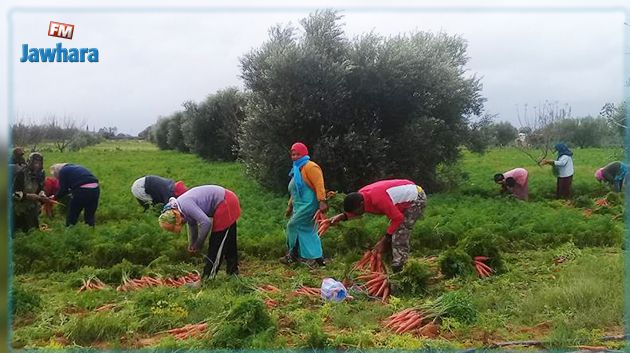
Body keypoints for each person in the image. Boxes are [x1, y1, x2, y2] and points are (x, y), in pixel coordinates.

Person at [328, 179, 427, 273]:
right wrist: (343, 216)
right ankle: (389, 261)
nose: (355, 214)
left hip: (416, 197)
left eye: (355, 212)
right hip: (403, 198)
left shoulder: (378, 199)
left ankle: (400, 267)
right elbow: (357, 212)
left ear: (361, 204)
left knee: (400, 230)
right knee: (392, 230)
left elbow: (398, 218)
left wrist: (384, 240)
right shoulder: (361, 196)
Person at [158, 185, 241, 281]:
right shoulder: (179, 207)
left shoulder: (185, 205)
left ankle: (208, 278)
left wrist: (198, 244)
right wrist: (192, 244)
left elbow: (205, 223)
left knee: (216, 244)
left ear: (176, 219)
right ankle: (233, 273)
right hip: (227, 200)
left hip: (226, 202)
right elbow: (192, 224)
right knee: (229, 241)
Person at [280, 142, 328, 267]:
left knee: (292, 225)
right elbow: (295, 190)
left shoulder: (311, 167)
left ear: (304, 154)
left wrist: (322, 201)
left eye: (298, 154)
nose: (295, 157)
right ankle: (315, 258)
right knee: (307, 230)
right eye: (293, 154)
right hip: (298, 205)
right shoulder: (296, 169)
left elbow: (319, 184)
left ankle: (293, 255)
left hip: (309, 204)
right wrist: (290, 206)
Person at [11, 152, 47, 233]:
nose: (36, 165)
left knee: (33, 231)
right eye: (34, 163)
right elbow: (14, 194)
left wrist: (42, 194)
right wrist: (27, 196)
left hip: (32, 207)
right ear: (29, 162)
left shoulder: (41, 174)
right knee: (20, 232)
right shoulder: (21, 174)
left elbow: (41, 188)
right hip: (19, 207)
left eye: (39, 163)